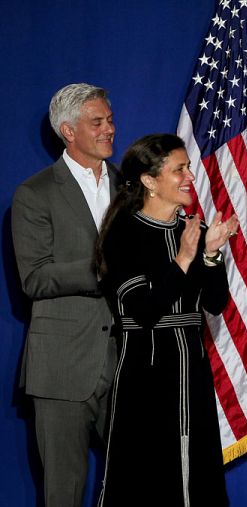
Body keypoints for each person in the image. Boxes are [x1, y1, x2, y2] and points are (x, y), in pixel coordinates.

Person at [94, 134, 238, 506]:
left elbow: (217, 304)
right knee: (149, 477)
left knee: (200, 476)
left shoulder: (195, 231)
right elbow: (143, 311)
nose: (190, 176)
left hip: (193, 374)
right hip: (146, 376)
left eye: (188, 167)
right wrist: (184, 259)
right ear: (149, 181)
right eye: (180, 169)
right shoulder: (124, 234)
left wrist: (211, 255)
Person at [11, 83, 119, 507]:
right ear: (68, 131)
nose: (109, 128)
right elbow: (35, 278)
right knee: (65, 494)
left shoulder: (132, 186)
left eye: (110, 119)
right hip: (62, 368)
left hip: (128, 364)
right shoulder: (34, 193)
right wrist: (105, 269)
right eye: (97, 122)